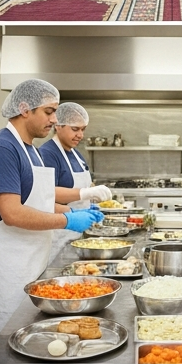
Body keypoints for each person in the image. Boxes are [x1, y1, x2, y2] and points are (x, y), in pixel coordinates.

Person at [0, 80, 105, 347]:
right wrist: (68, 219)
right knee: (6, 340)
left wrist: (72, 209)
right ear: (24, 109)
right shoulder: (2, 148)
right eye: (48, 111)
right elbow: (12, 213)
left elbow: (38, 201)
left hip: (29, 258)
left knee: (29, 339)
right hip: (5, 261)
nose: (55, 119)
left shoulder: (31, 150)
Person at [39, 102, 112, 252]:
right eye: (75, 129)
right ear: (58, 126)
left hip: (77, 235)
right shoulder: (48, 154)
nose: (80, 135)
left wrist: (88, 203)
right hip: (58, 236)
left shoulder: (76, 154)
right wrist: (85, 194)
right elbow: (44, 194)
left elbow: (84, 184)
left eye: (83, 129)